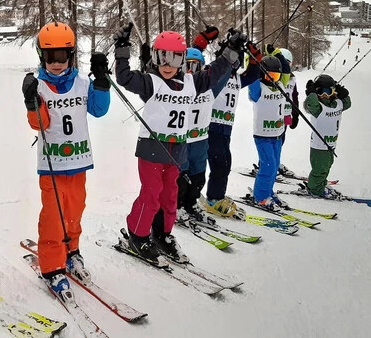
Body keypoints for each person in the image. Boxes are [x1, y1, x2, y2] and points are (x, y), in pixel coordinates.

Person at [113, 24, 237, 264]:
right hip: (152, 148)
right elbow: (124, 78)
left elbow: (217, 70)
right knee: (151, 195)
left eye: (174, 57)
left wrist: (231, 51)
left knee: (170, 196)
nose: (168, 64)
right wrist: (122, 48)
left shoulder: (192, 83)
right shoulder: (151, 82)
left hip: (178, 150)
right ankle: (137, 235)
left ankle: (162, 234)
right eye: (162, 57)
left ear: (182, 59)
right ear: (156, 58)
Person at [21, 21, 110, 298]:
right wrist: (30, 100)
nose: (56, 63)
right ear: (41, 57)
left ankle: (72, 250)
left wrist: (103, 82)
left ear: (71, 56)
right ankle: (52, 267)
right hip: (52, 165)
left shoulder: (83, 83)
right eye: (50, 57)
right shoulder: (41, 86)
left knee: (74, 212)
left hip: (78, 162)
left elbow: (99, 110)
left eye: (62, 57)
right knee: (53, 217)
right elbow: (39, 124)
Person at [198, 33, 261, 219]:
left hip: (225, 129)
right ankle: (213, 198)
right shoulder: (214, 74)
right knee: (219, 164)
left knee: (225, 164)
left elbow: (253, 75)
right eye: (234, 61)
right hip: (210, 126)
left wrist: (255, 58)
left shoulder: (236, 78)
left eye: (238, 63)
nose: (236, 65)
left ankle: (216, 196)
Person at [172, 47, 221, 223]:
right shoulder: (178, 86)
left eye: (196, 66)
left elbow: (222, 73)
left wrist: (229, 57)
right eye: (187, 66)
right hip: (183, 141)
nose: (191, 71)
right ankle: (176, 207)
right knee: (181, 176)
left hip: (200, 140)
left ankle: (191, 204)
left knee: (198, 175)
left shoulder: (209, 88)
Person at [248, 55, 289, 210]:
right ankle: (260, 196)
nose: (273, 78)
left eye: (276, 75)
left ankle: (268, 191)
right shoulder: (258, 87)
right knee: (268, 165)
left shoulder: (281, 85)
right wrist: (253, 63)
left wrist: (279, 55)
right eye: (269, 75)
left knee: (275, 165)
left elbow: (286, 71)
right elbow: (251, 80)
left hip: (277, 134)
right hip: (263, 135)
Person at [303, 74, 351, 197]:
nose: (324, 95)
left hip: (331, 143)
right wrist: (311, 93)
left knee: (327, 166)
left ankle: (321, 184)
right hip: (319, 146)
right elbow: (312, 103)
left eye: (328, 91)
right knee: (319, 169)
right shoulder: (318, 108)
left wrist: (342, 92)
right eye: (321, 92)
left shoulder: (337, 104)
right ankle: (314, 189)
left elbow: (347, 103)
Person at [277, 48, 299, 178]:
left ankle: (275, 162)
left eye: (289, 64)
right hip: (274, 114)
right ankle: (267, 164)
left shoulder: (292, 79)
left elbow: (294, 96)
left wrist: (295, 114)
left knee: (281, 140)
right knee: (272, 140)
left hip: (286, 114)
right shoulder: (272, 77)